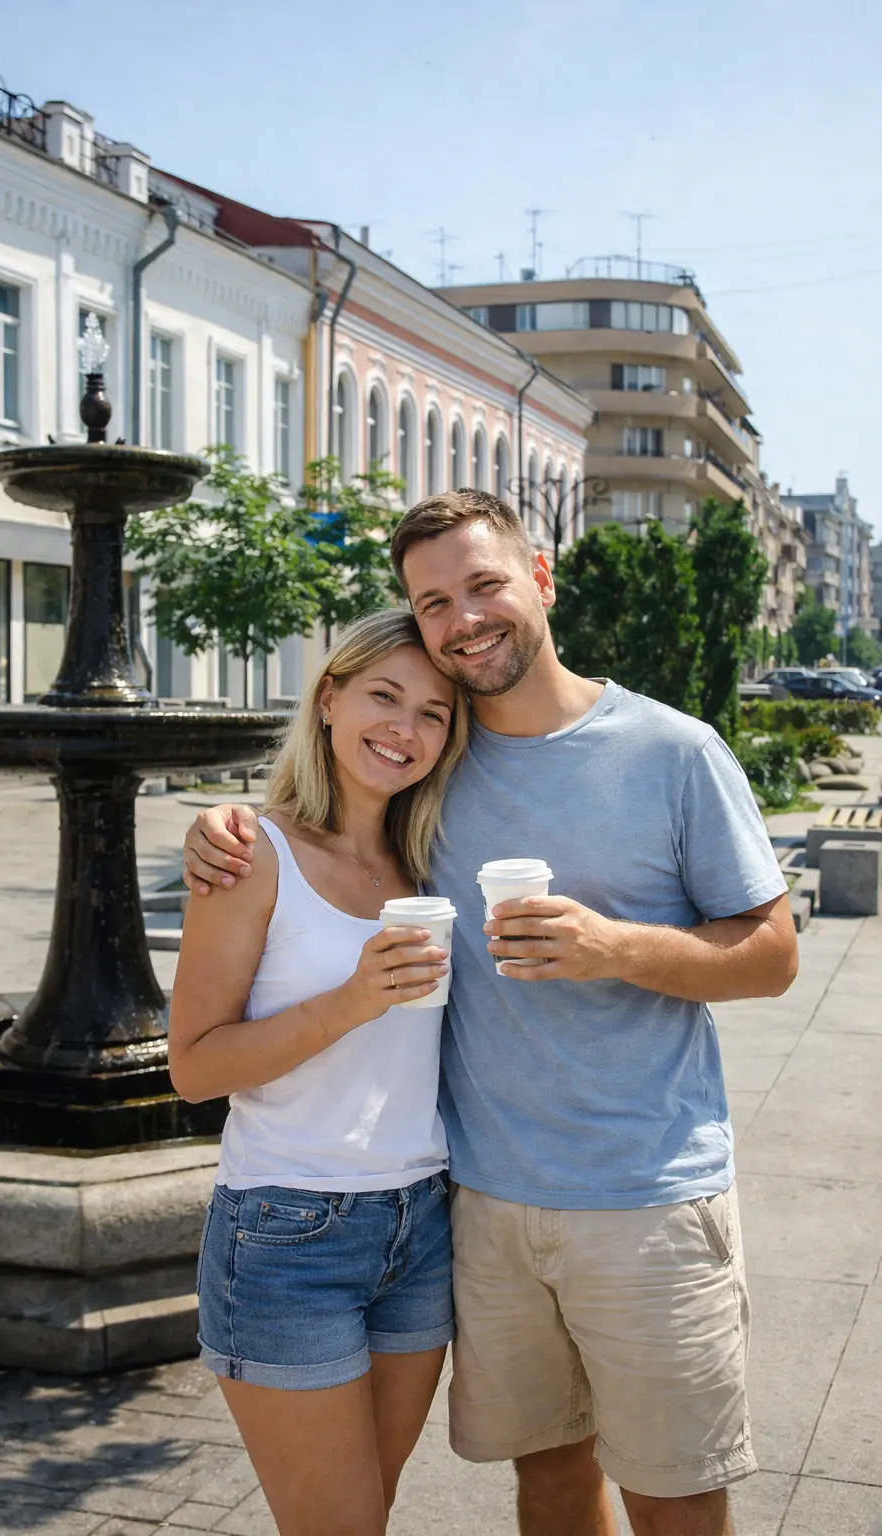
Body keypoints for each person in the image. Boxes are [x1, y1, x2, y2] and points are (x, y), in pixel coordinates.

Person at [182, 489, 799, 1536]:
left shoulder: (671, 751)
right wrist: (226, 822)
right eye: (432, 602)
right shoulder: (437, 768)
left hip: (643, 1195)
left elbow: (774, 953)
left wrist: (616, 947)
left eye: (483, 584)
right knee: (547, 1481)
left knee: (677, 1493)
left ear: (540, 579)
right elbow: (330, 803)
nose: (462, 618)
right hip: (476, 1207)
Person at [169, 608, 469, 1536]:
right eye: (384, 695)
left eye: (433, 714)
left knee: (361, 1520)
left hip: (421, 1227)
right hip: (285, 1234)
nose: (404, 729)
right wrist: (353, 998)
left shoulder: (431, 858)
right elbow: (193, 1066)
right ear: (330, 698)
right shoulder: (252, 854)